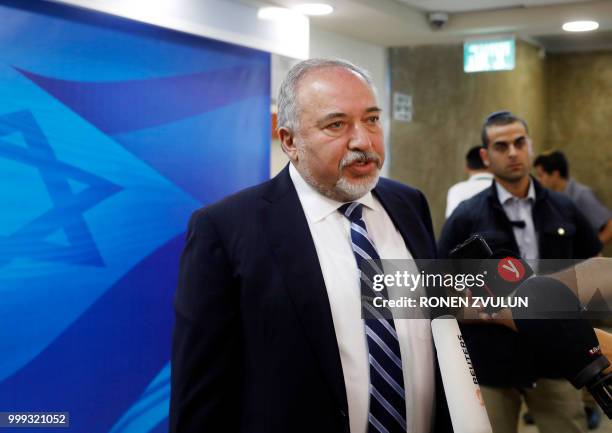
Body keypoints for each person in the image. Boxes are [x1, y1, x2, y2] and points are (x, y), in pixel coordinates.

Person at [169, 58, 453, 433]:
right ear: (290, 141)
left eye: (371, 119)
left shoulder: (409, 204)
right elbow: (201, 394)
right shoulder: (226, 228)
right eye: (337, 125)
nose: (363, 141)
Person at [438, 111, 602, 433]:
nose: (512, 152)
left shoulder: (563, 207)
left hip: (559, 356)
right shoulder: (466, 217)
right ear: (486, 156)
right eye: (501, 146)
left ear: (529, 146)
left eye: (518, 142)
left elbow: (592, 261)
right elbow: (443, 283)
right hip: (493, 359)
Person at [534, 150, 612, 246]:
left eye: (540, 175)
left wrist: (593, 250)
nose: (538, 180)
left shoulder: (581, 195)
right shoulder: (547, 196)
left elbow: (610, 226)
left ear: (555, 174)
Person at [445, 146, 493, 218]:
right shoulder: (502, 188)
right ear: (492, 164)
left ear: (467, 168)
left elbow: (451, 222)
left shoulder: (456, 190)